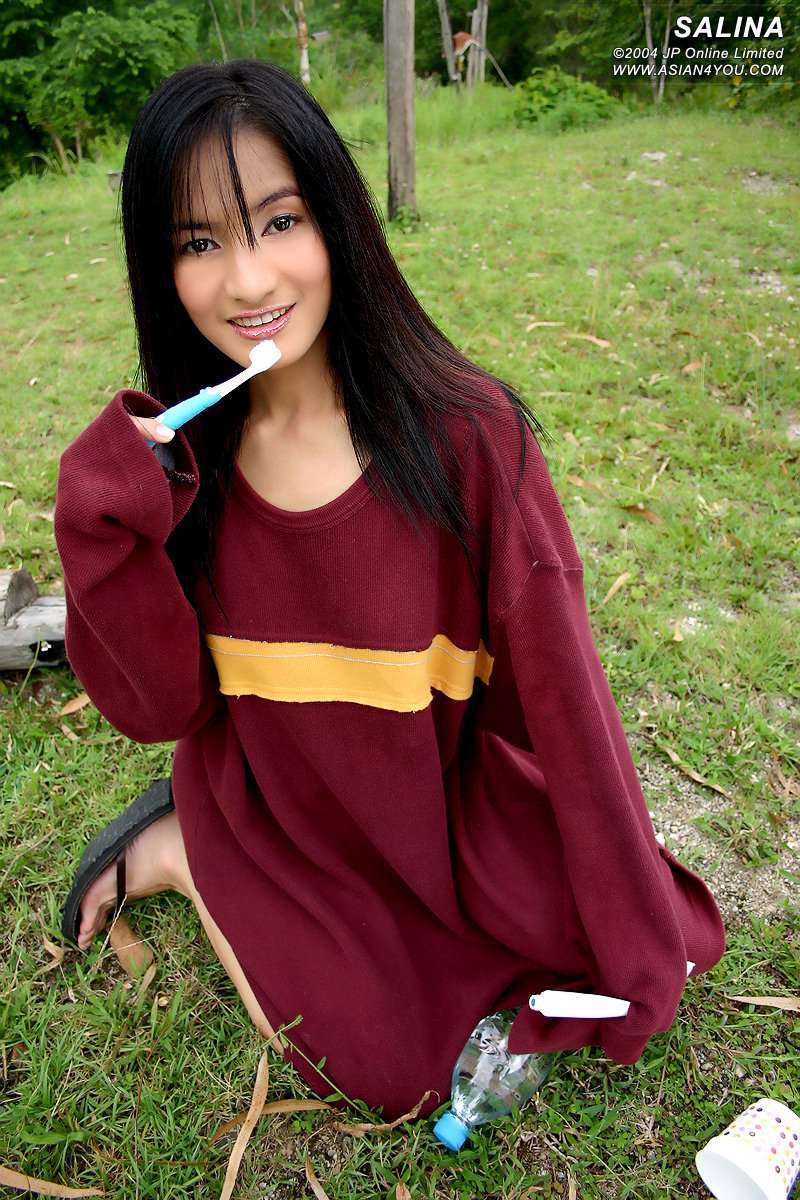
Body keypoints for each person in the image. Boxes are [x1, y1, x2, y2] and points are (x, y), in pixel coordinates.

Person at [54, 58, 725, 1122]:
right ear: (160, 265)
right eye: (199, 243)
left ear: (338, 220)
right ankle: (185, 848)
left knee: (647, 934)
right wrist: (101, 533)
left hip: (437, 801)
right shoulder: (183, 467)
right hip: (275, 807)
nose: (248, 281)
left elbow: (568, 708)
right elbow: (160, 708)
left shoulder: (471, 440)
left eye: (279, 222)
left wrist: (633, 932)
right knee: (388, 1068)